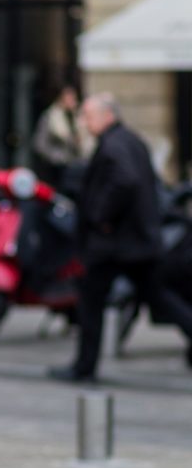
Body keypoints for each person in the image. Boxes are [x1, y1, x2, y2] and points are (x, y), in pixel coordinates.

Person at [49, 93, 192, 382]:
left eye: (89, 116)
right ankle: (83, 366)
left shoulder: (114, 146)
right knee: (159, 297)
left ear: (108, 115)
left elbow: (125, 181)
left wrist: (101, 217)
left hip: (114, 245)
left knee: (91, 301)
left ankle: (84, 367)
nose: (86, 123)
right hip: (136, 242)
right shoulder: (130, 141)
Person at [32, 84, 90, 188]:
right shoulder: (51, 116)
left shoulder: (76, 116)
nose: (72, 100)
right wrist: (54, 158)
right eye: (69, 97)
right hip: (56, 167)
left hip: (75, 166)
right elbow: (40, 143)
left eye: (74, 97)